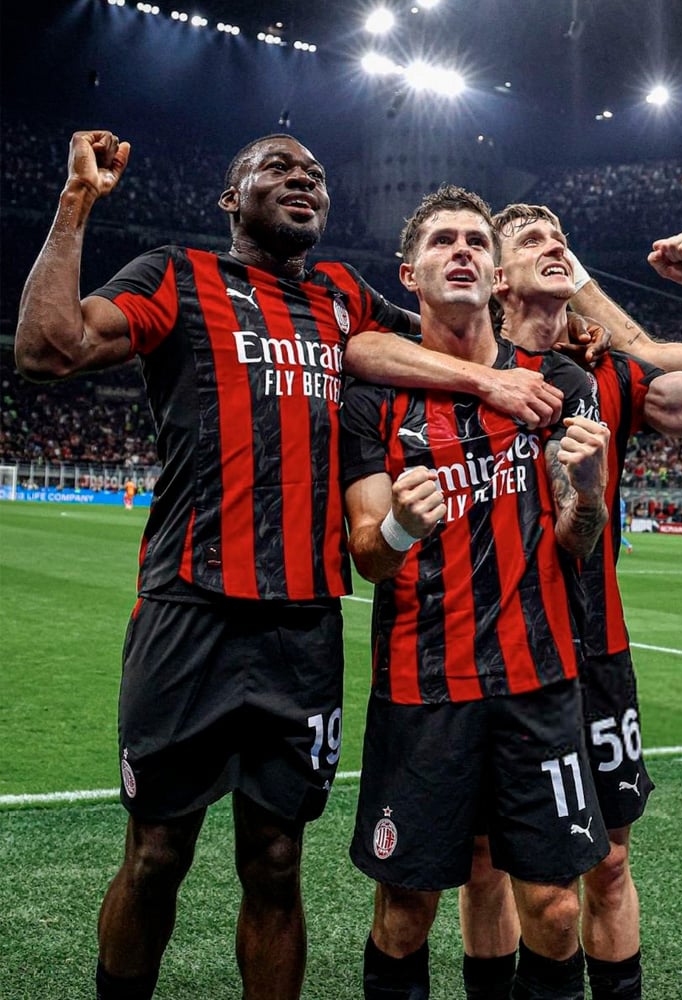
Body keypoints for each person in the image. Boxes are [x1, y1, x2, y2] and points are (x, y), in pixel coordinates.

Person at [14, 130, 563, 1000]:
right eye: (279, 169)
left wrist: (504, 367)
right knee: (157, 854)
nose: (305, 180)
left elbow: (414, 343)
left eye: (315, 173)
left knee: (276, 860)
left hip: (302, 627)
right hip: (186, 609)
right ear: (233, 199)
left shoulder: (343, 296)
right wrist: (77, 201)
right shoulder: (175, 276)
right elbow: (48, 349)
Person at [458, 203, 682, 1000]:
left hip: (595, 653)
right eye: (530, 240)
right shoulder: (459, 375)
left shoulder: (611, 379)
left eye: (562, 239)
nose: (555, 246)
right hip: (488, 654)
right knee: (486, 866)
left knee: (611, 861)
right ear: (494, 278)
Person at [340, 185, 613, 1000]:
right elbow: (365, 554)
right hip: (423, 690)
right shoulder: (374, 398)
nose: (460, 250)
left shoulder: (559, 381)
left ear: (497, 274)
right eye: (441, 242)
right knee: (406, 909)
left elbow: (576, 542)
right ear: (410, 273)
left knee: (559, 910)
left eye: (474, 242)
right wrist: (398, 531)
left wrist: (590, 497)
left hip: (539, 686)